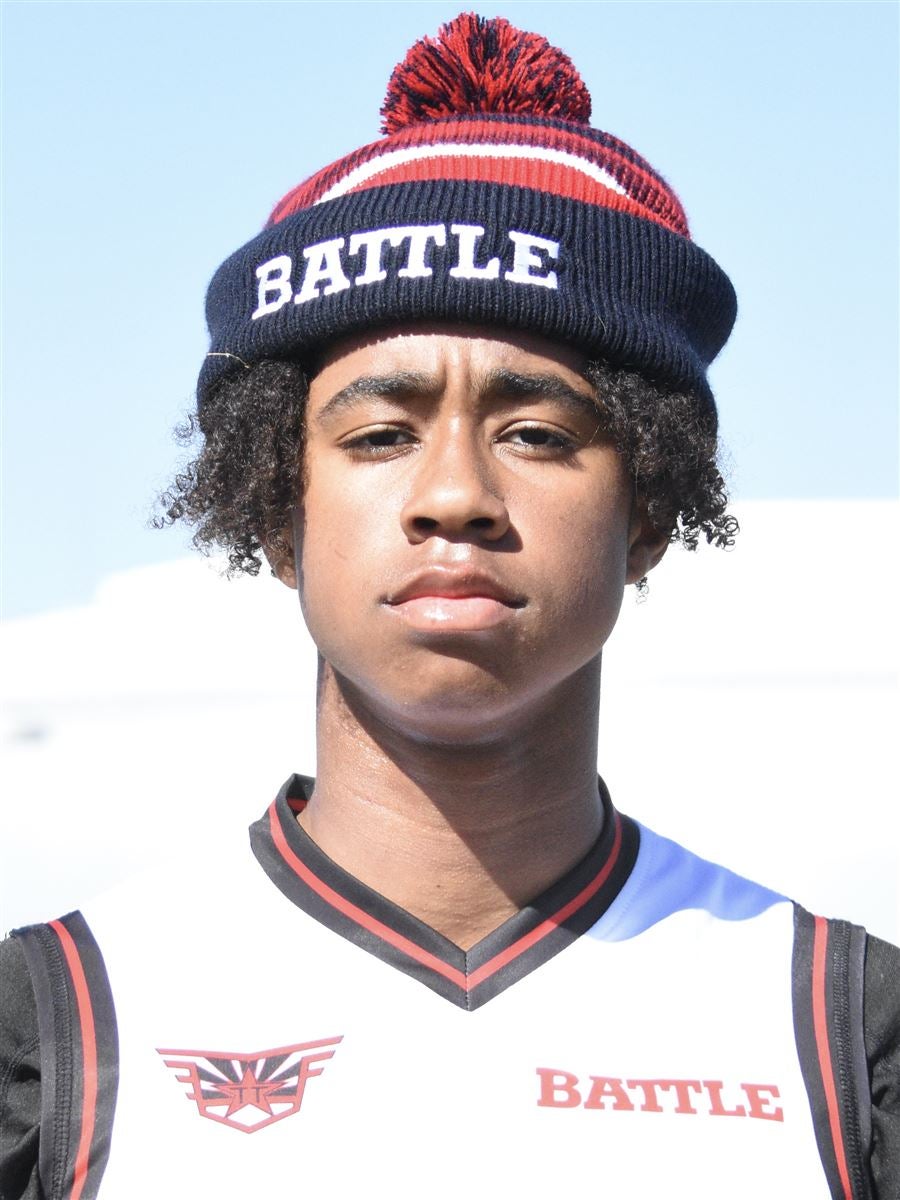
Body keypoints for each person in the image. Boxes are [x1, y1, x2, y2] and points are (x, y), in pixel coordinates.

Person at [0, 12, 897, 1199]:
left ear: (648, 513)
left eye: (538, 434)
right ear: (276, 512)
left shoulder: (835, 1035)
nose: (456, 495)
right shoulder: (65, 1025)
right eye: (381, 435)